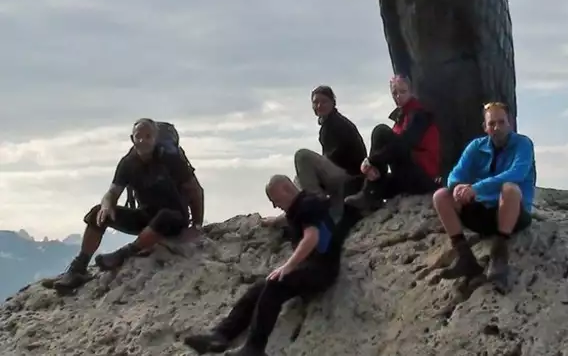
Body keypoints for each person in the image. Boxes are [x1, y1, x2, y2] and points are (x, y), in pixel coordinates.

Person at [184, 175, 343, 356]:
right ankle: (220, 335)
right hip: (310, 267)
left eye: (275, 200)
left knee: (275, 284)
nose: (275, 206)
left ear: (285, 189)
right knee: (259, 288)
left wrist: (288, 266)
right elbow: (290, 218)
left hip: (322, 270)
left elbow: (312, 237)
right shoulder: (302, 205)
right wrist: (273, 221)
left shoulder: (309, 204)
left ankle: (255, 348)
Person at [51, 118, 205, 293]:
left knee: (164, 216)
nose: (143, 140)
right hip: (146, 216)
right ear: (132, 139)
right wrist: (107, 206)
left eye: (148, 136)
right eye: (138, 136)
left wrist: (196, 225)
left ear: (155, 137)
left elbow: (195, 190)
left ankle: (124, 254)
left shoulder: (170, 159)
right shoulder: (128, 163)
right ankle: (79, 268)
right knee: (97, 213)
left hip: (175, 218)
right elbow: (112, 192)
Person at [432, 102, 536, 291]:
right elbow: (455, 174)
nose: (497, 128)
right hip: (483, 213)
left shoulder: (523, 144)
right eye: (492, 124)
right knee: (441, 196)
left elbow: (517, 173)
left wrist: (477, 188)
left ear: (510, 123)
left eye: (501, 122)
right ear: (485, 127)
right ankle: (465, 258)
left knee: (510, 189)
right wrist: (457, 187)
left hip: (512, 214)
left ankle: (499, 256)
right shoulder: (476, 147)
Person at [264, 85, 367, 225]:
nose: (319, 105)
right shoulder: (328, 125)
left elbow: (336, 158)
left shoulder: (337, 124)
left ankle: (317, 205)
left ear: (333, 102)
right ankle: (294, 212)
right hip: (342, 174)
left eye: (324, 101)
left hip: (350, 176)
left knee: (302, 156)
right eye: (315, 102)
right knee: (299, 179)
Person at [344, 75, 440, 213]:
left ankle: (368, 193)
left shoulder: (420, 115)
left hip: (421, 177)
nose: (398, 96)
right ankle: (370, 196)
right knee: (363, 184)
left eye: (403, 91)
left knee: (380, 131)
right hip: (406, 175)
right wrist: (373, 167)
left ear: (411, 92)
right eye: (394, 93)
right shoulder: (401, 118)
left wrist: (372, 160)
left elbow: (403, 145)